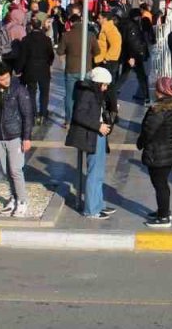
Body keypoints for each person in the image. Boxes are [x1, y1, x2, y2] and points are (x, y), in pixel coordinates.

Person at [0, 60, 34, 217]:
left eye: (7, 77)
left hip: (15, 136)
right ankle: (14, 197)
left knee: (16, 170)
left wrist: (26, 137)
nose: (6, 81)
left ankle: (23, 201)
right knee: (6, 171)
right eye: (2, 79)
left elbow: (27, 115)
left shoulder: (19, 90)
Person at [66, 66, 116, 220]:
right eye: (104, 85)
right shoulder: (87, 94)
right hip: (92, 135)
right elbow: (79, 115)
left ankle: (98, 204)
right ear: (97, 83)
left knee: (98, 172)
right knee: (94, 173)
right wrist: (98, 125)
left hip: (97, 135)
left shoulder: (94, 93)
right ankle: (91, 209)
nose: (106, 88)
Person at [136, 76, 172, 228]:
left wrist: (140, 143)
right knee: (162, 183)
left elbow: (148, 130)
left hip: (158, 152)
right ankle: (163, 211)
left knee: (160, 184)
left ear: (161, 92)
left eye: (157, 89)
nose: (155, 91)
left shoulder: (158, 110)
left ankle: (163, 217)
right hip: (169, 150)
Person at [57, 12, 96, 127]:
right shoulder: (90, 35)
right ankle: (86, 119)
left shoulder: (66, 35)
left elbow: (60, 51)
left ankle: (69, 120)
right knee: (87, 94)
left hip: (71, 69)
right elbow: (97, 51)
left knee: (69, 96)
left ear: (71, 23)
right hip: (87, 69)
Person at [18, 17, 55, 124]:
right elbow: (51, 55)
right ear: (40, 26)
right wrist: (48, 63)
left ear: (30, 26)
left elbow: (23, 57)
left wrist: (19, 69)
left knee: (31, 93)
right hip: (44, 69)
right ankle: (43, 114)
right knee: (44, 92)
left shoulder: (25, 40)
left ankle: (33, 114)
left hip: (30, 70)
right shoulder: (46, 39)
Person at [114, 7, 150, 101]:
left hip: (129, 53)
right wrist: (132, 56)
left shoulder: (126, 24)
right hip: (134, 55)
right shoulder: (132, 26)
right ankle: (146, 95)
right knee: (140, 75)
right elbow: (132, 42)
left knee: (125, 75)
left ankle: (114, 91)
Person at [93, 11, 122, 83]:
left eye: (99, 18)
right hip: (103, 60)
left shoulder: (109, 28)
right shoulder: (104, 28)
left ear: (105, 19)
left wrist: (107, 58)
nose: (97, 20)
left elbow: (116, 44)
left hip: (108, 62)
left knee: (108, 85)